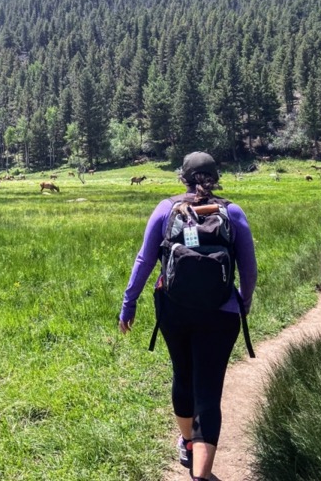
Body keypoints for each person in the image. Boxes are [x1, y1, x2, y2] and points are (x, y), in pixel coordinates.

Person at [119, 152, 257, 480]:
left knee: (183, 375)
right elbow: (249, 268)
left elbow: (144, 260)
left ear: (183, 177)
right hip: (221, 312)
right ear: (215, 177)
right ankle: (201, 474)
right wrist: (244, 302)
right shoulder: (232, 212)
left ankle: (187, 443)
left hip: (172, 307)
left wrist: (129, 303)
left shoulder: (166, 209)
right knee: (208, 390)